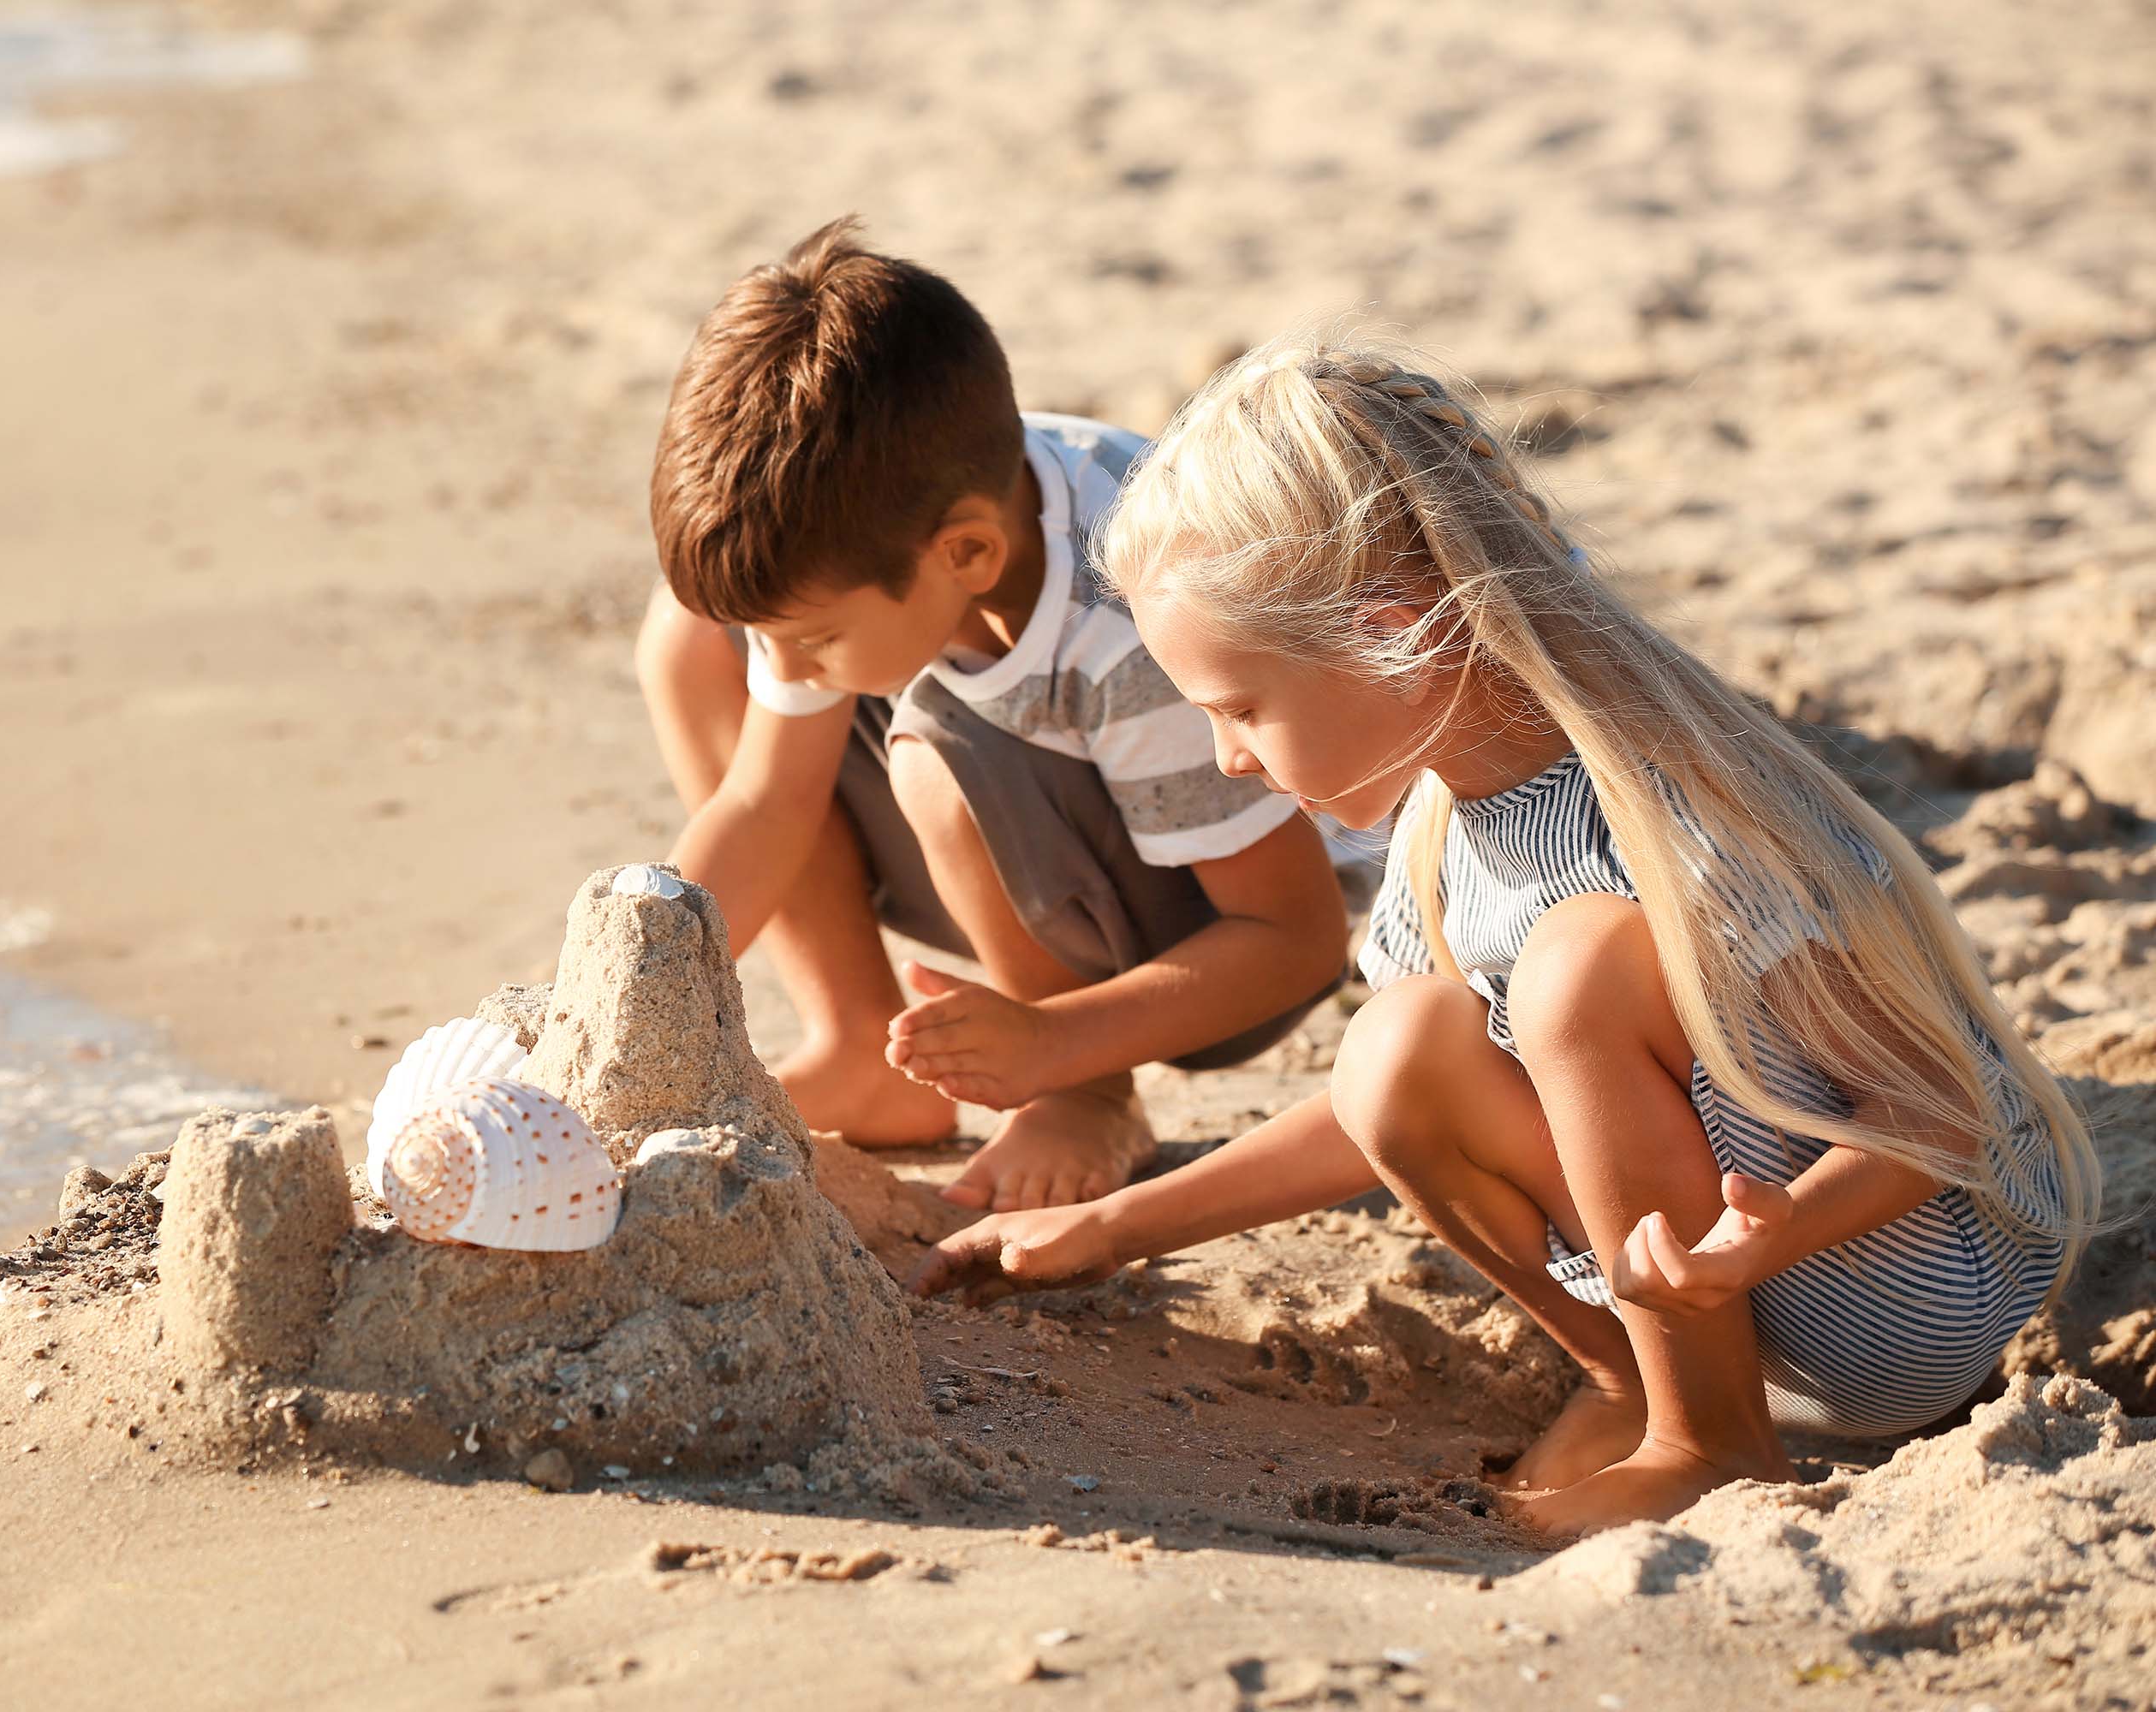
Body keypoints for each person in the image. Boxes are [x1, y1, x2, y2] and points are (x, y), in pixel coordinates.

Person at [913, 330, 2099, 1535]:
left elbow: (1940, 1116)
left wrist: (1782, 1227)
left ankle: (1711, 1444)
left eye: (1244, 709)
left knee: (1576, 971)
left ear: (1396, 631)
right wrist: (1115, 1227)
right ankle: (1639, 1382)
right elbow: (1385, 1118)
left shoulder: (1674, 808)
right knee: (1394, 1046)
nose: (1229, 759)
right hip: (1724, 1280)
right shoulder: (1445, 823)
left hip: (1914, 1292)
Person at [635, 222, 1366, 1212]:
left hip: (1218, 939)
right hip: (1062, 845)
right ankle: (859, 1046)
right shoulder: (921, 506)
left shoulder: (1133, 623)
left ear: (968, 555)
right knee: (693, 633)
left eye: (813, 638)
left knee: (941, 748)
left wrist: (1058, 1047)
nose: (788, 664)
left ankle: (1088, 1094)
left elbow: (1295, 937)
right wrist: (633, 1003)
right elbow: (766, 800)